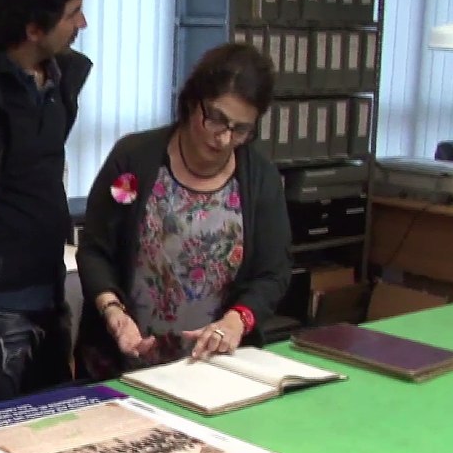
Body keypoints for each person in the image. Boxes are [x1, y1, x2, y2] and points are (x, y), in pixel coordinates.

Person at [73, 42, 291, 379]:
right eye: (216, 119)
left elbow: (273, 273)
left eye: (241, 129)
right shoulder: (134, 161)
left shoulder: (259, 179)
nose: (223, 138)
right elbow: (95, 250)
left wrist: (236, 321)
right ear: (193, 102)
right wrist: (114, 313)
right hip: (124, 361)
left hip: (213, 367)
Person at [0, 0, 94, 406]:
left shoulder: (62, 80)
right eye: (72, 13)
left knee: (53, 425)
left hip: (50, 284)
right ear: (35, 28)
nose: (82, 23)